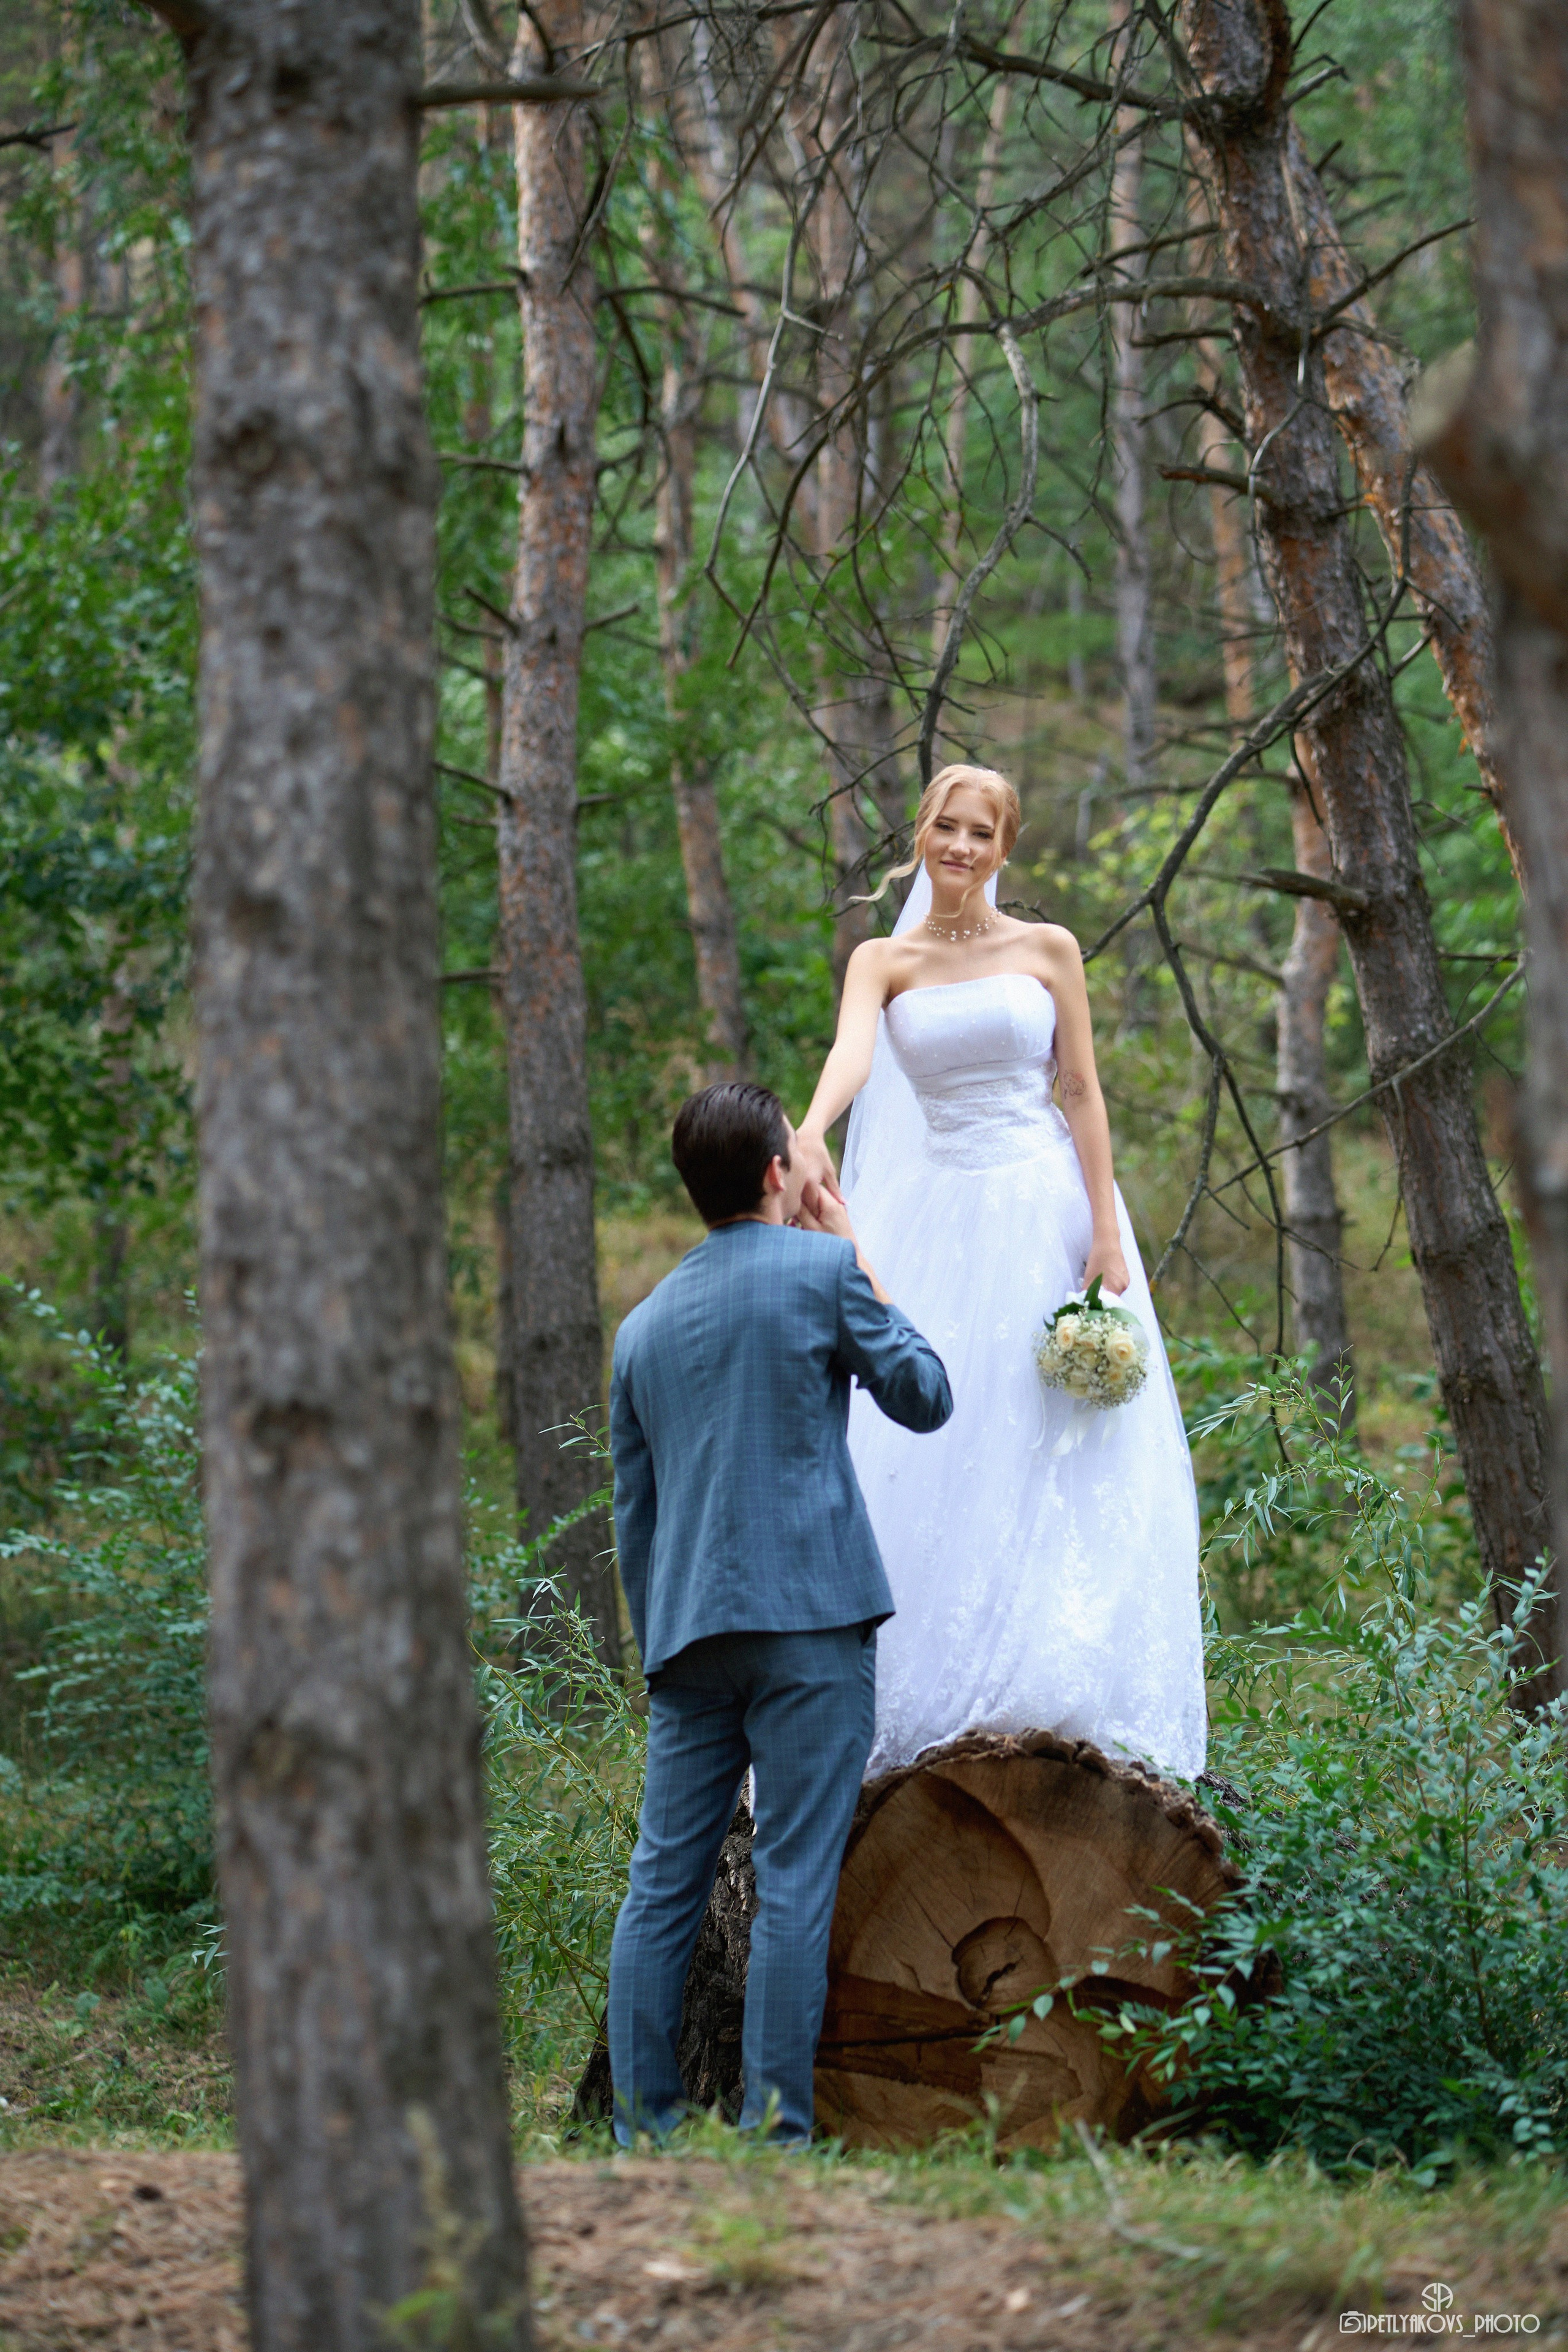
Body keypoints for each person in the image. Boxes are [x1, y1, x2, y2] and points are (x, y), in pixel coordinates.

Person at [793, 762, 1207, 1784]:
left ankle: (1057, 1681)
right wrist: (808, 1128)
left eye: (982, 833)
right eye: (947, 827)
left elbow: (1081, 1092)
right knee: (948, 1435)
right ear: (922, 833)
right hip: (945, 1217)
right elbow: (854, 1058)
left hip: (1045, 1207)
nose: (962, 848)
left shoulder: (1047, 949)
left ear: (1006, 847)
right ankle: (934, 1691)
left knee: (1057, 1433)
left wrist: (1104, 1231)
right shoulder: (882, 960)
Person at [606, 1080, 953, 2144]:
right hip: (810, 1618)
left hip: (686, 1637)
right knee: (795, 1880)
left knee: (662, 1885)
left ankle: (641, 2133)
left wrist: (658, 1644)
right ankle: (775, 2137)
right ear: (775, 1174)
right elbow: (925, 1395)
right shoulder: (824, 1269)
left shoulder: (642, 1328)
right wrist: (851, 1238)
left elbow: (637, 1515)